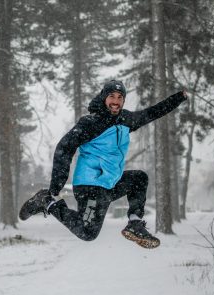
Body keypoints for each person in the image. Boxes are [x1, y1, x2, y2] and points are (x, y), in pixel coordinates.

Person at [19, 80, 187, 249]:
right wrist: (55, 188)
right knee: (88, 232)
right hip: (90, 185)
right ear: (103, 98)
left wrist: (179, 97)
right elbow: (64, 147)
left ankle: (135, 223)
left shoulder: (126, 120)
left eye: (120, 97)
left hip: (108, 184)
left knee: (139, 178)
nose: (116, 101)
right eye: (111, 96)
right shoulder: (90, 123)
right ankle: (47, 201)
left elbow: (152, 113)